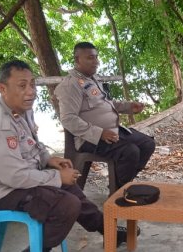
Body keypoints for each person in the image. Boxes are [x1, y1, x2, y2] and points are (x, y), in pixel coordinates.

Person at [0, 60, 131, 252]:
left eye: (33, 85)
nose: (31, 92)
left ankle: (106, 229)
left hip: (22, 177)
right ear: (2, 89)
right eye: (22, 86)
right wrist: (55, 177)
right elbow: (14, 177)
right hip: (1, 192)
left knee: (71, 187)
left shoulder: (21, 110)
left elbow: (32, 144)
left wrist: (49, 159)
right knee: (66, 203)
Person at [55, 42, 155, 191]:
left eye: (96, 57)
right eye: (90, 58)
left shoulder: (92, 79)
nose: (96, 62)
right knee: (130, 151)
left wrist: (128, 107)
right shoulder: (70, 85)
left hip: (113, 131)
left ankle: (120, 184)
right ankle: (118, 192)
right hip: (89, 139)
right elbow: (68, 119)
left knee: (147, 143)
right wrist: (99, 133)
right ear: (77, 60)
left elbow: (105, 104)